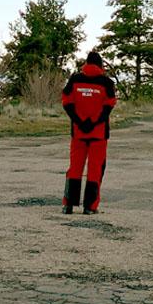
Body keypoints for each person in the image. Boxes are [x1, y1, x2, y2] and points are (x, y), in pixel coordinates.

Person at [60, 51, 117, 215]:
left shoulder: (75, 79)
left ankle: (68, 205)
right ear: (100, 65)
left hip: (78, 132)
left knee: (75, 168)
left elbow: (67, 102)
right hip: (98, 134)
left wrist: (79, 121)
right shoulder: (107, 82)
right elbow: (109, 105)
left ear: (86, 63)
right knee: (95, 169)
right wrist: (94, 122)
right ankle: (90, 207)